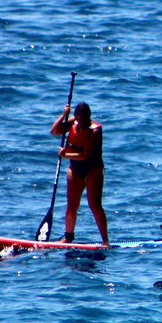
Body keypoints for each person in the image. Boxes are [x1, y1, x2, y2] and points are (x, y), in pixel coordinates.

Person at [50, 101, 110, 246]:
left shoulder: (95, 130)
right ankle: (68, 237)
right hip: (75, 169)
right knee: (71, 205)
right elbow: (54, 131)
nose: (81, 122)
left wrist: (66, 155)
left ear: (89, 116)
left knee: (95, 205)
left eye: (84, 119)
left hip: (92, 170)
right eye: (79, 119)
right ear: (76, 116)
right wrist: (64, 115)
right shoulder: (73, 122)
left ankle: (105, 241)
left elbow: (86, 155)